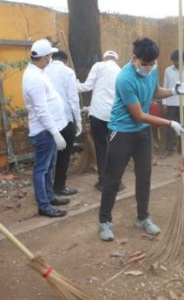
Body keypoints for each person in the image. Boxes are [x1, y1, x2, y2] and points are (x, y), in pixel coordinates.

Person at [98, 38, 184, 241]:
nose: (148, 68)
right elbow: (138, 114)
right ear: (134, 58)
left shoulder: (153, 69)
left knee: (144, 176)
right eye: (144, 64)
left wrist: (173, 91)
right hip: (121, 131)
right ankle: (104, 221)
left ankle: (143, 218)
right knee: (113, 179)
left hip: (142, 132)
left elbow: (154, 92)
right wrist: (169, 123)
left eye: (151, 63)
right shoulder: (124, 79)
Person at [22, 39, 70, 218]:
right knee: (41, 169)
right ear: (44, 58)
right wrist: (56, 133)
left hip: (48, 129)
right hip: (44, 131)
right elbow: (42, 111)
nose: (50, 59)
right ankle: (43, 205)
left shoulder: (38, 73)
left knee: (49, 166)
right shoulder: (33, 78)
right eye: (49, 56)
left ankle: (49, 196)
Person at [77, 50, 122, 191]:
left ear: (104, 58)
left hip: (97, 115)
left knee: (101, 147)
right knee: (116, 149)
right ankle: (117, 182)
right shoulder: (121, 71)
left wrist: (75, 84)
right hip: (115, 115)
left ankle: (103, 181)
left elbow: (87, 87)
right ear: (116, 59)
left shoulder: (98, 66)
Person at [45, 50, 81, 196]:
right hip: (65, 118)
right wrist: (78, 119)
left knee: (46, 157)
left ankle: (45, 189)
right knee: (64, 155)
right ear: (65, 60)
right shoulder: (68, 72)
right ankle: (59, 186)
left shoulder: (44, 70)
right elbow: (73, 98)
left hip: (47, 119)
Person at [161, 50, 184, 158]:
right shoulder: (168, 70)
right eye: (174, 61)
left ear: (183, 61)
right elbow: (165, 86)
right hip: (171, 102)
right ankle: (168, 149)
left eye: (178, 61)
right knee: (170, 127)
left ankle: (182, 148)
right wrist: (164, 103)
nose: (176, 63)